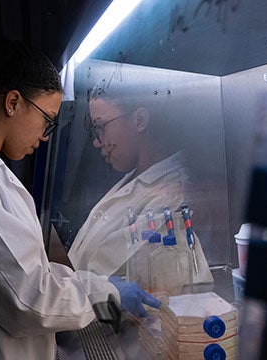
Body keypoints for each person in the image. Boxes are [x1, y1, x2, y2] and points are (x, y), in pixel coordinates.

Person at [0, 30, 160, 360]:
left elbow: (29, 271)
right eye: (47, 121)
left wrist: (100, 286)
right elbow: (28, 297)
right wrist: (108, 294)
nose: (44, 137)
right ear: (13, 102)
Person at [67, 78, 214, 286]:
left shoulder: (171, 194)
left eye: (100, 127)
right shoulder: (135, 178)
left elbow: (107, 275)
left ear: (140, 120)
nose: (96, 141)